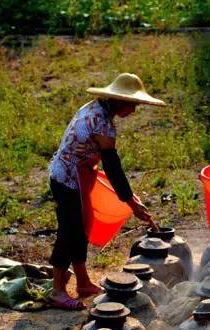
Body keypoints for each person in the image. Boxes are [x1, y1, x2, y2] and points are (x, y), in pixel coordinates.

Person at [48, 73, 165, 309]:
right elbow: (113, 169)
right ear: (119, 101)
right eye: (132, 105)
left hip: (80, 175)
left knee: (80, 228)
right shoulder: (102, 123)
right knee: (69, 231)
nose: (133, 111)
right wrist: (131, 203)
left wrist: (130, 198)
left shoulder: (97, 110)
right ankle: (57, 290)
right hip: (66, 177)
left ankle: (83, 282)